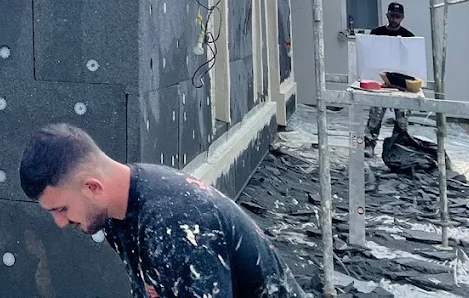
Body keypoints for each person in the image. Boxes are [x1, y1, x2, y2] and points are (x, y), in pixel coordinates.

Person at [20, 123, 307, 298]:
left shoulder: (176, 224)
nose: (59, 222)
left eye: (61, 209)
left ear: (92, 187)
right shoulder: (114, 213)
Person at [364, 1, 415, 155]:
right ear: (387, 15)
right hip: (380, 80)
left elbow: (412, 61)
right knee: (376, 114)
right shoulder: (376, 33)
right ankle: (369, 144)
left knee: (402, 118)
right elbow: (369, 55)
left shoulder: (408, 37)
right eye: (392, 15)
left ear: (403, 18)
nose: (394, 19)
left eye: (397, 16)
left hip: (401, 82)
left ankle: (397, 148)